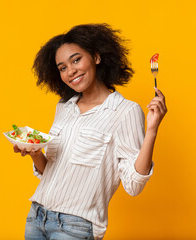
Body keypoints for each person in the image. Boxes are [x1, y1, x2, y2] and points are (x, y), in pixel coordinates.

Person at [13, 23, 167, 240]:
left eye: (76, 60)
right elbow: (52, 172)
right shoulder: (64, 107)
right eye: (62, 67)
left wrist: (152, 131)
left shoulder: (125, 111)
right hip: (37, 217)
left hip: (74, 227)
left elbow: (133, 185)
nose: (71, 71)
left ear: (96, 57)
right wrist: (36, 153)